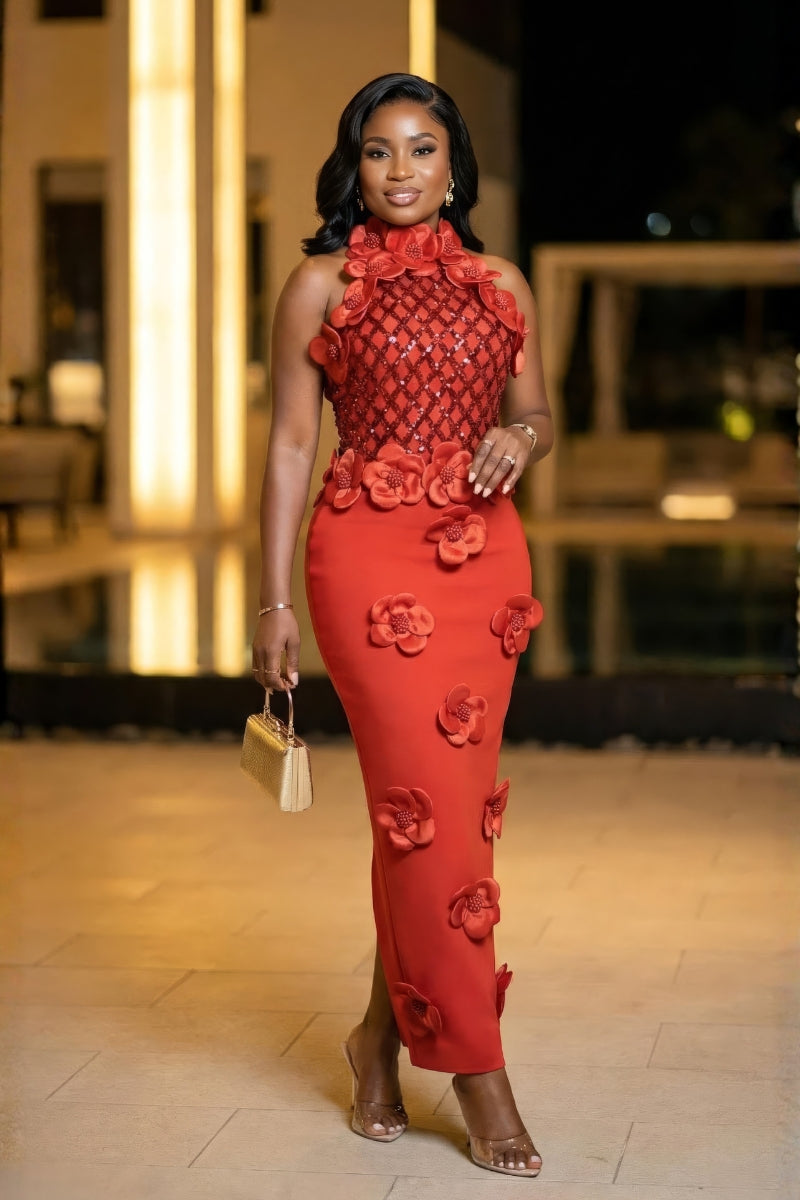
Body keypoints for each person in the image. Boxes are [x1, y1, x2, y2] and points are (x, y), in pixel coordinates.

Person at [251, 72, 552, 1178]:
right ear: (353, 165)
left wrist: (525, 440)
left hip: (483, 567)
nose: (400, 172)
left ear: (453, 165)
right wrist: (271, 595)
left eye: (421, 150)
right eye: (378, 151)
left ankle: (378, 1040)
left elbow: (535, 410)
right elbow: (289, 444)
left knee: (437, 821)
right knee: (423, 810)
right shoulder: (317, 285)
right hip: (366, 562)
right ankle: (477, 1070)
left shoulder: (500, 281)